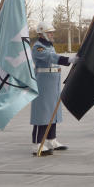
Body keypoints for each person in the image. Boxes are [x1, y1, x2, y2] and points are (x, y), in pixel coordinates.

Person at [30, 22, 73, 154]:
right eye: (49, 32)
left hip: (52, 82)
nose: (52, 34)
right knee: (42, 112)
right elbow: (50, 57)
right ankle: (37, 143)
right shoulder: (38, 47)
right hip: (43, 83)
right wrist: (68, 60)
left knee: (53, 110)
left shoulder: (49, 45)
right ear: (41, 33)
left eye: (52, 32)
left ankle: (51, 139)